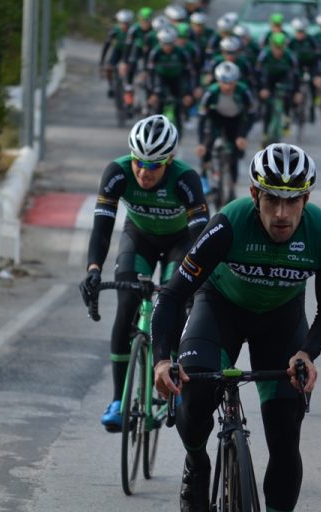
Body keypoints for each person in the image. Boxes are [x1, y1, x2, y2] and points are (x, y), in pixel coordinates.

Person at [152, 143, 321, 512]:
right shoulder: (228, 225)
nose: (281, 213)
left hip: (281, 321)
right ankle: (197, 463)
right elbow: (172, 296)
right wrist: (162, 361)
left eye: (292, 201)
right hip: (220, 310)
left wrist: (307, 352)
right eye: (272, 199)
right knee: (193, 398)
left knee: (285, 431)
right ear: (254, 194)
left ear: (306, 199)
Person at [80, 115, 209, 432]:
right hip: (139, 239)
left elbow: (199, 236)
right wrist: (94, 269)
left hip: (180, 243)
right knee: (126, 307)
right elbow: (101, 229)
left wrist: (188, 281)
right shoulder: (117, 173)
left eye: (153, 165)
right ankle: (117, 401)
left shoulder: (185, 179)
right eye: (139, 162)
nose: (143, 171)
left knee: (173, 302)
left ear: (169, 160)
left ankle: (173, 379)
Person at [196, 61, 257, 203]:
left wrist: (243, 136)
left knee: (235, 153)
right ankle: (204, 177)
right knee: (206, 146)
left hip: (236, 120)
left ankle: (232, 185)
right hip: (216, 118)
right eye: (224, 83)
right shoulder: (211, 92)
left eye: (231, 83)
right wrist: (201, 143)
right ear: (218, 81)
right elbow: (201, 117)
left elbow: (252, 114)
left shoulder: (244, 91)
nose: (228, 86)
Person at [255, 32, 301, 144]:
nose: (278, 51)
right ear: (271, 46)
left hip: (284, 78)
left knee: (288, 94)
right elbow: (257, 72)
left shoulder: (290, 55)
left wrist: (297, 92)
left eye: (281, 48)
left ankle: (287, 116)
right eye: (276, 48)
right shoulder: (264, 54)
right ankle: (266, 133)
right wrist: (261, 89)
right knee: (267, 106)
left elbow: (296, 74)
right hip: (268, 80)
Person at [147, 26, 195, 130]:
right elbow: (150, 74)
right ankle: (155, 125)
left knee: (178, 103)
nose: (167, 47)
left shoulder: (182, 53)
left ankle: (179, 125)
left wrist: (188, 93)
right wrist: (152, 93)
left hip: (176, 78)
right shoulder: (155, 52)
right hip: (161, 77)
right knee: (158, 99)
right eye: (164, 44)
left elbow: (189, 74)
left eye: (170, 44)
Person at [288, 17, 321, 123]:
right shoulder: (291, 42)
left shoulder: (311, 40)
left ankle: (312, 108)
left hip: (311, 65)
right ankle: (294, 110)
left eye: (302, 32)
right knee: (293, 86)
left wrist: (317, 74)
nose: (300, 34)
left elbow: (318, 56)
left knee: (314, 83)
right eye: (298, 32)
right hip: (297, 67)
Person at [100, 9, 134, 99]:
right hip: (117, 51)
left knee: (130, 69)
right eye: (122, 23)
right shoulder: (115, 31)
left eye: (127, 23)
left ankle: (129, 88)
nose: (124, 26)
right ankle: (110, 86)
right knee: (109, 68)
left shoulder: (133, 31)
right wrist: (102, 62)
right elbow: (106, 46)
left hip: (129, 52)